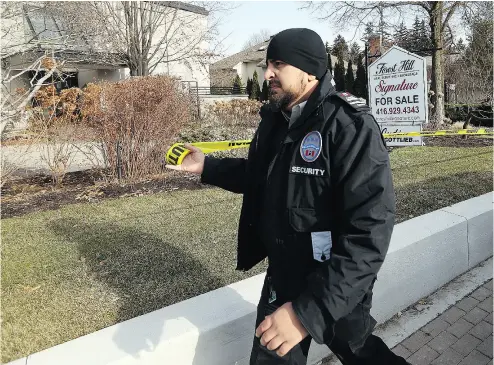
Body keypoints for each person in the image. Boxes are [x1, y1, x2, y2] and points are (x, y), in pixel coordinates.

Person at [166, 28, 411, 365]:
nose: (267, 73)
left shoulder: (350, 126)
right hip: (284, 273)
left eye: (277, 64)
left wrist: (307, 314)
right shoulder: (276, 118)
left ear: (308, 69)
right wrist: (206, 167)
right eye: (268, 64)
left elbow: (369, 232)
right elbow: (260, 175)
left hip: (334, 281)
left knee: (359, 351)